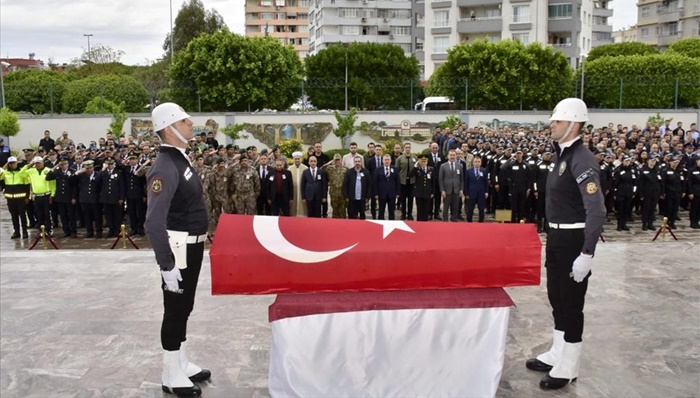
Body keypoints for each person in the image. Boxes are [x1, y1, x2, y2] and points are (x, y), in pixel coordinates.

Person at [526, 98, 606, 390]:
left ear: (573, 124)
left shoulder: (581, 158)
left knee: (571, 304)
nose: (552, 125)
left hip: (574, 239)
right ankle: (558, 353)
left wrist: (587, 253)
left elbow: (596, 209)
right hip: (558, 237)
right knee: (557, 297)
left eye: (557, 121)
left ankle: (569, 366)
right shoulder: (560, 155)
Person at [144, 102, 210, 397]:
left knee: (185, 307)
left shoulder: (180, 159)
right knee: (174, 310)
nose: (191, 125)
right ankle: (170, 373)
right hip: (179, 249)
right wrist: (167, 265)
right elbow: (153, 222)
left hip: (191, 246)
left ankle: (181, 361)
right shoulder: (165, 166)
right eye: (185, 121)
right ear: (170, 128)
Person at [45, 157, 78, 238]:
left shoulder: (72, 171)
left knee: (71, 215)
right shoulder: (57, 172)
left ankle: (73, 231)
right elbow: (47, 178)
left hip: (69, 197)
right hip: (60, 197)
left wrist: (74, 197)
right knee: (63, 215)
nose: (63, 166)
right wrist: (54, 168)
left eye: (65, 164)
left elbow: (75, 186)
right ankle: (66, 231)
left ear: (68, 164)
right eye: (62, 164)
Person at [0, 157, 30, 238]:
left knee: (22, 215)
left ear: (17, 163)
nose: (12, 165)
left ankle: (24, 232)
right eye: (10, 163)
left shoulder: (21, 173)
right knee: (14, 216)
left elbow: (27, 185)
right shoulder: (6, 173)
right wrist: (5, 166)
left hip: (21, 199)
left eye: (13, 163)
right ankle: (16, 232)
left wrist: (27, 197)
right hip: (10, 199)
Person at [76, 160, 103, 238]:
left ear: (93, 167)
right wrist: (77, 172)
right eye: (87, 168)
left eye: (90, 168)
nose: (89, 170)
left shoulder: (98, 175)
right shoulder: (81, 176)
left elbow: (100, 184)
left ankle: (98, 231)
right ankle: (89, 231)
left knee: (97, 216)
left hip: (95, 199)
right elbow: (71, 181)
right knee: (87, 217)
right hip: (85, 199)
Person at [99, 158, 125, 238]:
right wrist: (102, 170)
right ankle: (111, 229)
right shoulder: (103, 173)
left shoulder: (118, 173)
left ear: (114, 164)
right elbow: (96, 180)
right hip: (106, 198)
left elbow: (122, 186)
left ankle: (117, 230)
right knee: (108, 215)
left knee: (117, 215)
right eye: (108, 164)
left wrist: (121, 198)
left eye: (111, 164)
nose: (109, 166)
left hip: (116, 197)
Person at [638, 154, 662, 231]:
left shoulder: (657, 170)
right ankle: (644, 224)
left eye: (654, 161)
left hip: (655, 192)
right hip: (646, 193)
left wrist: (660, 192)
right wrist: (641, 194)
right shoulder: (643, 170)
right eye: (652, 160)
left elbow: (660, 182)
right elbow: (640, 183)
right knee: (646, 209)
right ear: (648, 161)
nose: (653, 162)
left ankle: (650, 223)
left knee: (652, 209)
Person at [612, 155, 636, 231]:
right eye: (626, 161)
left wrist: (633, 192)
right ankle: (619, 225)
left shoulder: (632, 170)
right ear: (622, 161)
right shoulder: (618, 170)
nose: (627, 162)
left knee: (626, 209)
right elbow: (615, 183)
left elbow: (635, 182)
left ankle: (624, 224)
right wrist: (615, 193)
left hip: (629, 192)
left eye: (629, 161)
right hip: (620, 192)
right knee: (620, 209)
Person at [343, 155, 372, 219]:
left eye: (359, 161)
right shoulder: (349, 172)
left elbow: (369, 185)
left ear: (361, 162)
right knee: (351, 214)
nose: (357, 163)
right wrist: (346, 196)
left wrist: (368, 196)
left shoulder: (366, 172)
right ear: (354, 162)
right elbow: (345, 185)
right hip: (352, 198)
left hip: (362, 198)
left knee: (362, 214)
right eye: (356, 161)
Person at [373, 154, 400, 220]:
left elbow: (398, 182)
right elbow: (375, 182)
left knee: (391, 211)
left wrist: (398, 193)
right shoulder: (378, 169)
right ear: (383, 161)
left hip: (392, 194)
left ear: (390, 161)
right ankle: (381, 224)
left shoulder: (395, 169)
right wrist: (376, 193)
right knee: (381, 211)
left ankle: (391, 224)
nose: (387, 161)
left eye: (388, 160)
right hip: (381, 194)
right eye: (385, 160)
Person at [439, 150, 463, 222]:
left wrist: (461, 189)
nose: (452, 156)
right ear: (448, 156)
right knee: (446, 207)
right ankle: (445, 220)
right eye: (451, 155)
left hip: (456, 190)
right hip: (447, 190)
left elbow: (462, 179)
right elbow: (440, 179)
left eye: (453, 155)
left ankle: (454, 219)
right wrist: (442, 190)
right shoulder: (443, 166)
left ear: (455, 156)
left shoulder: (459, 166)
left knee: (455, 207)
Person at [322, 153, 348, 218]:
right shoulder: (330, 169)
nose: (337, 161)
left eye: (338, 160)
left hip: (342, 193)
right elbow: (321, 169)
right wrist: (329, 163)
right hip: (333, 193)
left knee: (342, 210)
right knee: (335, 210)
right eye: (336, 160)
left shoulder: (345, 169)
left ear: (341, 160)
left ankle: (343, 225)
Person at [409, 154, 434, 222]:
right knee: (419, 209)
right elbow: (410, 175)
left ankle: (425, 222)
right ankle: (419, 222)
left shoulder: (431, 169)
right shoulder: (417, 170)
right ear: (419, 162)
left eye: (424, 161)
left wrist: (432, 192)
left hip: (427, 192)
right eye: (422, 161)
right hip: (419, 193)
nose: (423, 163)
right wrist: (415, 166)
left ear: (427, 161)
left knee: (426, 209)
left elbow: (433, 182)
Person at [464, 156, 489, 223]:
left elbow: (486, 182)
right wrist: (466, 193)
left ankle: (481, 222)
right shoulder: (468, 171)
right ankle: (469, 222)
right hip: (471, 193)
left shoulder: (484, 171)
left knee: (481, 209)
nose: (477, 163)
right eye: (475, 162)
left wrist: (486, 192)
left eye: (478, 162)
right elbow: (466, 183)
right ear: (473, 162)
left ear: (481, 163)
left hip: (481, 193)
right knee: (470, 209)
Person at [396, 143, 416, 220]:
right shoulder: (400, 158)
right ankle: (403, 213)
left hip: (411, 182)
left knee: (411, 199)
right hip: (402, 182)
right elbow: (397, 170)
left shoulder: (414, 157)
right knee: (403, 199)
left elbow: (416, 169)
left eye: (409, 147)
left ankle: (410, 213)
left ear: (410, 148)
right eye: (406, 147)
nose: (408, 149)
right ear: (404, 148)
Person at [289, 151, 308, 217]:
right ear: (293, 159)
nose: (297, 160)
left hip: (302, 190)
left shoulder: (305, 168)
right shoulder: (289, 169)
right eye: (295, 159)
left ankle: (302, 215)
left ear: (301, 159)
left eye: (298, 159)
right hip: (293, 190)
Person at [688, 155, 700, 229]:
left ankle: (697, 221)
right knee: (694, 207)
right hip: (695, 191)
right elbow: (689, 182)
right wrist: (690, 192)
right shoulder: (692, 170)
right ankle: (692, 222)